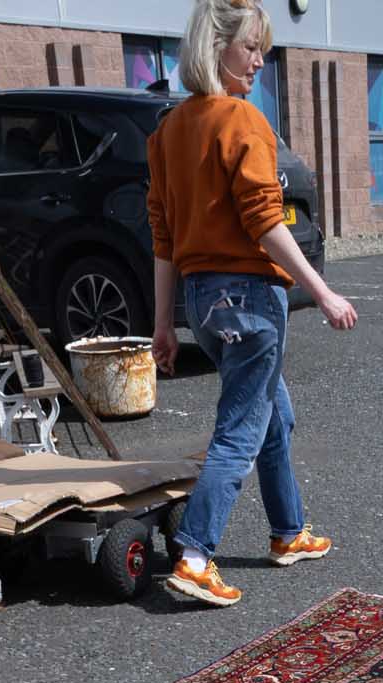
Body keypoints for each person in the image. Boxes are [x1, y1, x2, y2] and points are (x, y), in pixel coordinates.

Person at [146, 0, 357, 608]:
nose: (260, 61)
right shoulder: (243, 121)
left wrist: (164, 323)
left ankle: (288, 533)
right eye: (250, 48)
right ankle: (193, 553)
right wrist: (321, 291)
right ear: (217, 51)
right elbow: (264, 221)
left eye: (262, 48)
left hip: (201, 303)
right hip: (249, 301)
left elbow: (163, 236)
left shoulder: (167, 132)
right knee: (239, 430)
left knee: (273, 417)